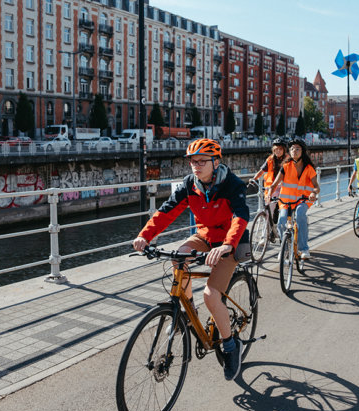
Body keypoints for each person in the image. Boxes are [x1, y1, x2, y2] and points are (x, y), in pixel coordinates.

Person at [133, 138, 249, 381]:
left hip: (230, 242)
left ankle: (230, 345)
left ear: (216, 162)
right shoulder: (189, 185)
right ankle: (187, 312)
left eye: (201, 161)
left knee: (211, 294)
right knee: (179, 256)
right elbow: (166, 211)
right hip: (205, 235)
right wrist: (145, 236)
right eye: (192, 161)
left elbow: (240, 216)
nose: (195, 165)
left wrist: (228, 244)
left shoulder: (232, 184)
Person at [267, 138, 319, 260]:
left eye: (297, 148)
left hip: (304, 199)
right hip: (286, 201)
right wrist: (270, 192)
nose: (294, 151)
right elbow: (274, 184)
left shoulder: (308, 168)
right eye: (291, 149)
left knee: (300, 214)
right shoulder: (285, 166)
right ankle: (284, 249)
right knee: (281, 222)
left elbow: (316, 187)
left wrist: (313, 193)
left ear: (303, 151)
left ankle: (304, 249)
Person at [249, 137, 289, 240]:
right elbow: (261, 171)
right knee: (267, 212)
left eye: (280, 149)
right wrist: (254, 179)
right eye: (276, 149)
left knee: (284, 211)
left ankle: (285, 234)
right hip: (271, 188)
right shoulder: (270, 160)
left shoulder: (288, 160)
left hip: (284, 188)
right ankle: (264, 235)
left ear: (284, 150)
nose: (278, 151)